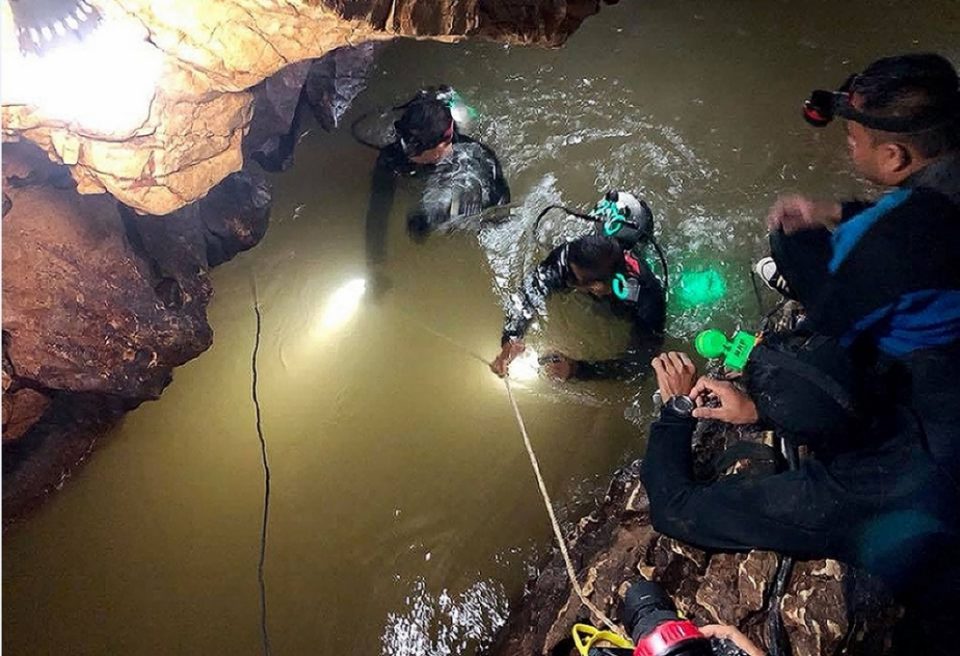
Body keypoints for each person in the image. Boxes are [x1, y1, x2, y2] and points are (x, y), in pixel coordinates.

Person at [640, 349, 960, 656]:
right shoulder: (927, 376)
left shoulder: (836, 498)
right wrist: (764, 406)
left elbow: (674, 507)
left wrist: (676, 409)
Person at [756, 53, 960, 479]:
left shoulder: (879, 241)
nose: (848, 147)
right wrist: (831, 209)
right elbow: (923, 215)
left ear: (893, 157)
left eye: (852, 140)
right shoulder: (939, 183)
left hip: (923, 369)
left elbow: (829, 325)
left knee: (787, 245)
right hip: (940, 291)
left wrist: (772, 361)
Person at [489, 216, 666, 381]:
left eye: (574, 279)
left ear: (597, 287)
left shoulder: (648, 300)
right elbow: (530, 291)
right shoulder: (569, 258)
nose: (566, 278)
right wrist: (511, 337)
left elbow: (641, 364)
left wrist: (577, 370)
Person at [364, 88, 511, 277]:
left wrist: (437, 215)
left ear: (442, 145)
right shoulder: (392, 157)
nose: (407, 154)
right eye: (406, 146)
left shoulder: (475, 156)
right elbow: (377, 211)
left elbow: (499, 208)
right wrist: (376, 265)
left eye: (416, 151)